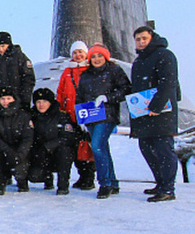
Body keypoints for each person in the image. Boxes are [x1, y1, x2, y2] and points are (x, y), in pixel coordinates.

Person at [130, 25, 181, 202]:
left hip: (161, 113)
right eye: (138, 39)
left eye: (144, 38)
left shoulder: (165, 55)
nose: (141, 42)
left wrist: (157, 106)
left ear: (152, 37)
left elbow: (168, 83)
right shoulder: (138, 61)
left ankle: (168, 188)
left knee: (163, 150)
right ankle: (161, 183)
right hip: (144, 114)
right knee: (146, 148)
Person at [76, 43, 131, 199]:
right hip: (91, 116)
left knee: (97, 146)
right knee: (102, 148)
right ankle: (113, 183)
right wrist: (81, 116)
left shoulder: (114, 71)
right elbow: (80, 95)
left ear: (106, 57)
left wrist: (108, 98)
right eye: (93, 56)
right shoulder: (85, 75)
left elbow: (126, 89)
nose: (96, 59)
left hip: (107, 114)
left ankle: (104, 183)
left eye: (99, 55)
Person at [56, 41, 96, 190]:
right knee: (74, 147)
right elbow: (61, 92)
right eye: (75, 53)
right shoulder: (67, 71)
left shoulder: (91, 70)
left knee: (87, 146)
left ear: (86, 53)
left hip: (87, 113)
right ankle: (81, 176)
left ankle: (89, 177)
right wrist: (60, 110)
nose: (78, 55)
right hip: (70, 114)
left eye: (80, 52)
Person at [28, 88, 77, 195]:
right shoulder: (31, 116)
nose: (41, 105)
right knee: (34, 176)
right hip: (38, 154)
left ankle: (63, 185)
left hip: (57, 153)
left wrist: (48, 147)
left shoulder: (62, 116)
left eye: (45, 102)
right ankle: (47, 177)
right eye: (38, 102)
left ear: (50, 102)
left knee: (65, 151)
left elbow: (68, 137)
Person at [0, 87, 34, 194]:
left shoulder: (24, 116)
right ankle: (0, 182)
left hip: (20, 152)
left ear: (14, 99)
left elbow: (28, 138)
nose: (5, 102)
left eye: (8, 98)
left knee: (20, 168)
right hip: (3, 151)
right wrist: (8, 152)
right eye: (2, 99)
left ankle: (22, 181)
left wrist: (20, 154)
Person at [0, 31, 35, 113]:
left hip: (17, 101)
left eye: (3, 46)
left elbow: (28, 79)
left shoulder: (20, 57)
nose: (1, 49)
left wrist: (25, 100)